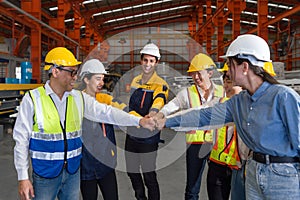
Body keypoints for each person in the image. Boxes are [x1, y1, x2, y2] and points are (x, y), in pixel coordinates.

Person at [157, 34, 300, 200]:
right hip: (253, 170)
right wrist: (165, 121)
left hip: (283, 175)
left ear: (244, 67)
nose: (227, 70)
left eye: (230, 65)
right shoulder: (239, 102)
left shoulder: (283, 96)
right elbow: (204, 116)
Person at [13, 47, 155, 200]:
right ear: (55, 72)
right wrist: (23, 177)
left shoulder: (78, 98)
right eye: (72, 72)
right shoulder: (33, 99)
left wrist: (138, 120)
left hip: (73, 173)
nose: (75, 77)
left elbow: (107, 112)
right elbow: (21, 140)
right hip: (46, 175)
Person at [154, 53, 226, 200]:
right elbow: (171, 106)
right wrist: (159, 116)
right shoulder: (187, 93)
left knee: (217, 186)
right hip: (196, 145)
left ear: (210, 73)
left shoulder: (222, 91)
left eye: (198, 73)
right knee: (192, 187)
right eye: (193, 74)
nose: (196, 77)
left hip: (217, 144)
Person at [125, 43, 169, 200]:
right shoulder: (136, 81)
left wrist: (151, 115)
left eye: (151, 61)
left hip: (149, 136)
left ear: (156, 63)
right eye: (145, 60)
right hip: (132, 134)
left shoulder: (161, 84)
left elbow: (159, 100)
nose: (148, 64)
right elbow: (131, 104)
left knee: (149, 175)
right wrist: (136, 118)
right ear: (141, 61)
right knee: (131, 171)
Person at [77, 59, 125, 200]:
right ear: (86, 79)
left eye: (102, 79)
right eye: (98, 79)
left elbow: (123, 111)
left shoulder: (104, 100)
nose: (101, 83)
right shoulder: (76, 103)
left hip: (106, 164)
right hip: (85, 166)